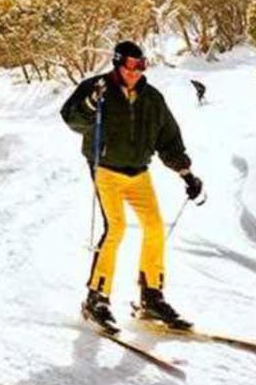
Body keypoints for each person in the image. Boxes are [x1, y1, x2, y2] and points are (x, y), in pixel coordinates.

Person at [60, 40, 203, 331]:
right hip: (106, 170)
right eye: (132, 66)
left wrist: (186, 174)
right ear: (118, 63)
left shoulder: (152, 99)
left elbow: (168, 139)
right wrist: (89, 104)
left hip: (139, 172)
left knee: (154, 227)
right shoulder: (97, 88)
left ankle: (151, 295)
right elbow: (71, 118)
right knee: (117, 228)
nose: (137, 71)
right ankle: (97, 297)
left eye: (142, 65)